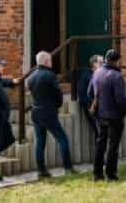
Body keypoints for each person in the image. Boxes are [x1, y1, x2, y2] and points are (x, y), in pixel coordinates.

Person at [27, 50, 75, 178]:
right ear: (47, 61)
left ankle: (41, 171)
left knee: (40, 142)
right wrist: (57, 105)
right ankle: (68, 168)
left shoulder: (31, 77)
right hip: (48, 112)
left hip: (36, 112)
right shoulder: (50, 75)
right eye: (50, 60)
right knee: (62, 139)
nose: (51, 62)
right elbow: (58, 94)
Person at [89, 48, 126, 181]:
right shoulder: (117, 76)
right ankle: (111, 173)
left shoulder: (97, 73)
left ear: (106, 59)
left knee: (100, 144)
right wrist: (124, 112)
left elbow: (90, 93)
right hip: (114, 116)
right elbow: (121, 100)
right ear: (117, 61)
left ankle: (97, 173)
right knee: (113, 145)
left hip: (100, 115)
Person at [77, 54, 104, 137]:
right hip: (93, 108)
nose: (103, 65)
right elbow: (82, 94)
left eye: (104, 63)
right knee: (99, 133)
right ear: (94, 64)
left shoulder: (103, 74)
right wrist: (90, 106)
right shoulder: (86, 76)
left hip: (104, 108)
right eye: (101, 63)